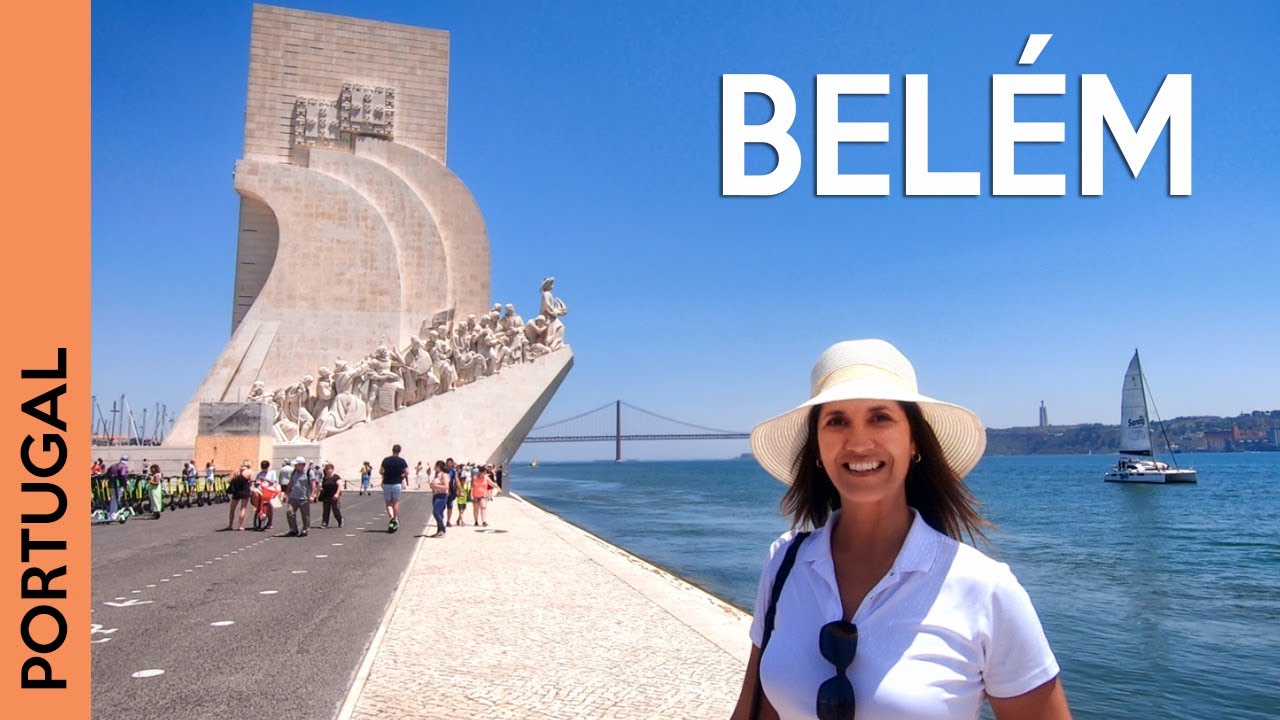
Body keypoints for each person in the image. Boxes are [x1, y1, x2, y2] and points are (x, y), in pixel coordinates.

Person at [730, 339, 1070, 720]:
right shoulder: (785, 564)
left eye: (880, 417)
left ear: (914, 442)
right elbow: (753, 712)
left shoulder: (985, 589)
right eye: (837, 420)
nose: (858, 441)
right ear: (818, 449)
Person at [379, 444, 409, 532]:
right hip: (397, 483)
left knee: (388, 503)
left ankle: (392, 518)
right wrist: (401, 476)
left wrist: (385, 475)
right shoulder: (402, 461)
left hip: (387, 483)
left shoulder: (386, 460)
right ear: (399, 451)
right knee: (395, 502)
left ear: (392, 450)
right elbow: (407, 472)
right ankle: (395, 519)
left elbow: (380, 471)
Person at [285, 456, 317, 537]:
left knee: (305, 515)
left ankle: (305, 529)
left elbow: (313, 485)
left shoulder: (309, 472)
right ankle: (293, 529)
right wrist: (286, 493)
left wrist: (312, 495)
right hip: (293, 497)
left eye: (297, 465)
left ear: (302, 465)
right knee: (289, 512)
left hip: (304, 498)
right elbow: (291, 483)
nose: (295, 466)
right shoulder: (294, 472)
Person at [226, 460, 254, 531]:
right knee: (243, 508)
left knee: (232, 509)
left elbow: (229, 480)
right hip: (245, 491)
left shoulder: (236, 470)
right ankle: (240, 526)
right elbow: (251, 482)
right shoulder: (249, 472)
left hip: (236, 491)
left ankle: (230, 525)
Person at [252, 460, 279, 530]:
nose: (264, 469)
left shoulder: (272, 473)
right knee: (254, 492)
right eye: (263, 468)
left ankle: (270, 523)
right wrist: (256, 483)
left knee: (269, 505)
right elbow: (255, 484)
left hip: (269, 490)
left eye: (265, 468)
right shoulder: (259, 474)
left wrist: (265, 479)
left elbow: (273, 482)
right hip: (261, 489)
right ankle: (256, 505)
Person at [319, 463, 344, 529]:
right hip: (326, 496)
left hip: (334, 496)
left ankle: (340, 520)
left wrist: (337, 494)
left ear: (332, 469)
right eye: (327, 469)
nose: (328, 471)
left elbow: (340, 486)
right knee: (326, 510)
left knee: (335, 509)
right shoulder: (325, 478)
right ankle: (324, 522)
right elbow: (323, 486)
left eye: (329, 469)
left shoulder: (336, 477)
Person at [428, 460, 449, 537]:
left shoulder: (444, 475)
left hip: (442, 495)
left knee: (436, 512)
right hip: (436, 495)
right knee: (439, 513)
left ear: (438, 466)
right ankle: (439, 530)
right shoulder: (436, 475)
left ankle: (443, 529)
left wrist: (436, 486)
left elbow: (446, 486)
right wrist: (432, 486)